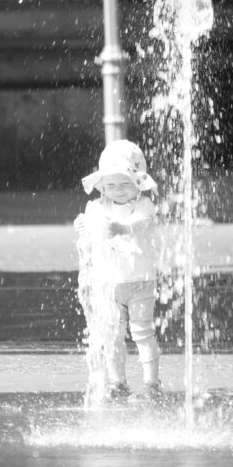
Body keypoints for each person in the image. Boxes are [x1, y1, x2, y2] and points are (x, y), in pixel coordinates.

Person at [74, 139, 161, 402]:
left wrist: (121, 229)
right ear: (102, 186)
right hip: (109, 283)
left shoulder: (143, 205)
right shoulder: (97, 207)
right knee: (112, 336)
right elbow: (87, 228)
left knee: (142, 332)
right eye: (111, 185)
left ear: (138, 182)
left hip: (139, 281)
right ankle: (118, 382)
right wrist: (81, 226)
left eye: (125, 183)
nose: (118, 190)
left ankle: (151, 383)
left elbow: (139, 224)